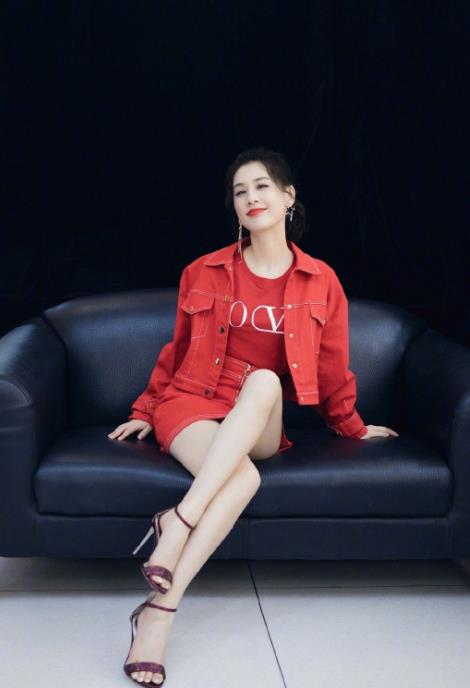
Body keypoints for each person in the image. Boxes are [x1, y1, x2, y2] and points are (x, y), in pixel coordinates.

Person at [109, 146, 399, 686]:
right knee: (243, 479)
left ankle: (179, 520)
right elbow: (177, 350)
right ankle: (158, 615)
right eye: (240, 191)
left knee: (264, 380)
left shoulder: (320, 281)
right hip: (192, 401)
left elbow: (332, 366)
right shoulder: (203, 271)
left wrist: (352, 426)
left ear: (289, 197)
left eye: (262, 186)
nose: (251, 198)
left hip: (258, 415)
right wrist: (148, 407)